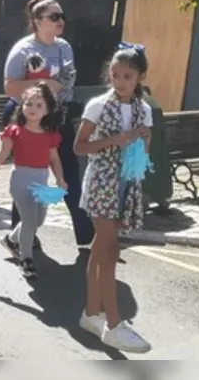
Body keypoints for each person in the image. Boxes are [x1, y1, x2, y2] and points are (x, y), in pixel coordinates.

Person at [75, 46, 153, 353]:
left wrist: (143, 142)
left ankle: (91, 314)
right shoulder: (97, 105)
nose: (120, 81)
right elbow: (80, 148)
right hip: (100, 183)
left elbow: (144, 154)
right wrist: (115, 140)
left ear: (140, 78)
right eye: (115, 75)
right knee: (109, 250)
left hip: (125, 185)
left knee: (99, 250)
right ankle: (115, 323)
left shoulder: (142, 110)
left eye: (127, 76)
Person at [2, 0, 91, 249]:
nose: (60, 21)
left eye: (61, 16)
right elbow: (10, 87)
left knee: (70, 175)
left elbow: (69, 77)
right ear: (37, 21)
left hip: (59, 117)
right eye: (53, 17)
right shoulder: (23, 49)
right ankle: (20, 238)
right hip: (32, 122)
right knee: (31, 177)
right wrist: (42, 87)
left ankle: (86, 237)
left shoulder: (64, 47)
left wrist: (54, 86)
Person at [0, 83, 66, 279]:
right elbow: (1, 155)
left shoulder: (50, 135)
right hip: (20, 180)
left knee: (38, 221)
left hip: (41, 181)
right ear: (21, 106)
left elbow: (54, 159)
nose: (32, 109)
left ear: (47, 110)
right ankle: (26, 259)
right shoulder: (14, 131)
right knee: (28, 220)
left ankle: (11, 240)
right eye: (29, 104)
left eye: (38, 105)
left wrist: (60, 178)